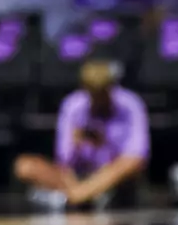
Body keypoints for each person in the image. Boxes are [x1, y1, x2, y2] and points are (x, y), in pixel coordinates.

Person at [13, 60, 149, 209]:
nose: (98, 98)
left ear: (111, 86)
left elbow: (138, 155)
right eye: (93, 92)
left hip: (113, 175)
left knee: (129, 163)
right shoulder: (73, 105)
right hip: (77, 176)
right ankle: (85, 195)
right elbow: (64, 161)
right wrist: (76, 143)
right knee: (24, 166)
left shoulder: (130, 104)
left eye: (102, 92)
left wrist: (105, 143)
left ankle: (76, 196)